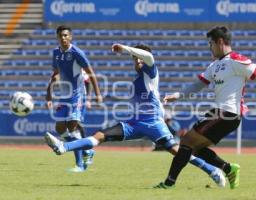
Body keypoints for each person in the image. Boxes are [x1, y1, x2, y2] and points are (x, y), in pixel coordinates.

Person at [45, 43, 226, 187]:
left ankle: (213, 171)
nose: (138, 62)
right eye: (135, 59)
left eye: (139, 59)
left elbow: (148, 57)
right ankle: (64, 147)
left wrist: (125, 48)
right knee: (99, 135)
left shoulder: (150, 71)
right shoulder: (138, 78)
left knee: (176, 151)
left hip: (154, 123)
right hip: (134, 123)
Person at [154, 26, 256, 189]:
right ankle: (229, 168)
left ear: (220, 42)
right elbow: (198, 85)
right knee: (195, 148)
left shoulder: (236, 60)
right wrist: (177, 95)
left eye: (210, 43)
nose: (209, 47)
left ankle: (169, 183)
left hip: (228, 113)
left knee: (187, 141)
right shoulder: (214, 65)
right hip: (221, 113)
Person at [46, 25, 102, 172]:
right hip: (63, 96)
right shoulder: (55, 53)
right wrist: (49, 94)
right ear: (57, 37)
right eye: (60, 36)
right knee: (60, 129)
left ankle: (79, 164)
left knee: (72, 127)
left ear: (70, 37)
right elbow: (55, 73)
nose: (63, 38)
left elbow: (91, 74)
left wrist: (98, 95)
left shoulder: (77, 53)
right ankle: (86, 151)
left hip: (77, 95)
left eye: (66, 35)